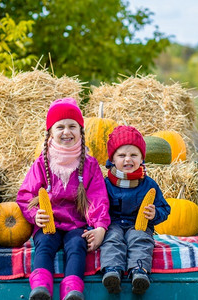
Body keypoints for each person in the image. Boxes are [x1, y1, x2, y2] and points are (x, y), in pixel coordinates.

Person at [17, 98, 111, 300]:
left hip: (77, 224)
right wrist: (35, 215)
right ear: (50, 132)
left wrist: (100, 227)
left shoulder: (90, 165)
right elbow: (26, 196)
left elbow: (98, 199)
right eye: (60, 127)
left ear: (81, 131)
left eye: (72, 126)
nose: (66, 132)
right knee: (44, 243)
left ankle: (72, 290)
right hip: (49, 223)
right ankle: (41, 287)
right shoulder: (42, 163)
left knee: (77, 246)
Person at [100, 125, 171, 295]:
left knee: (140, 240)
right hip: (113, 224)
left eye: (134, 155)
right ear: (112, 159)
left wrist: (155, 214)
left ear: (142, 159)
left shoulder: (149, 184)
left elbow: (165, 208)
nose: (128, 160)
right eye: (121, 155)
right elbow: (97, 208)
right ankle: (112, 272)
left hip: (138, 225)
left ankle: (139, 272)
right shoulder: (105, 183)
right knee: (112, 240)